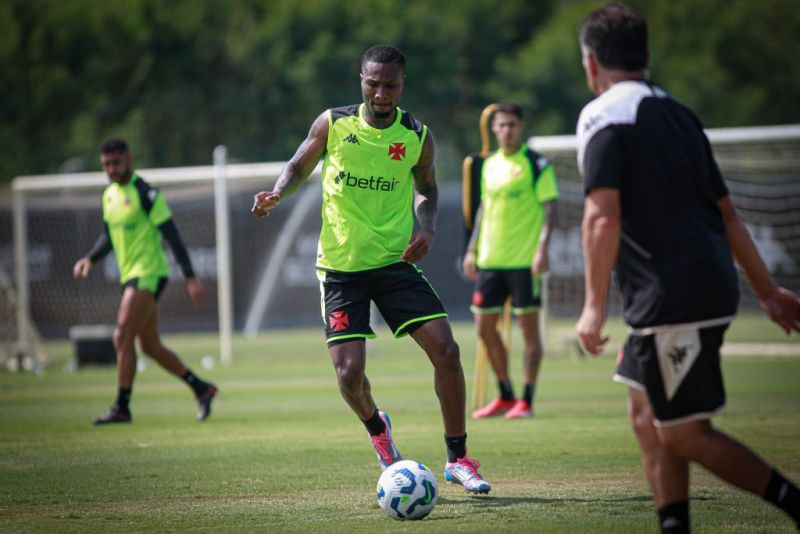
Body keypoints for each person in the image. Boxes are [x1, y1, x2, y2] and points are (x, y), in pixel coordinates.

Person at [575, 5, 800, 532]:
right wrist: (766, 292)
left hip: (671, 296)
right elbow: (727, 214)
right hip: (695, 287)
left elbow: (601, 215)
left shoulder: (601, 115)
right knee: (646, 417)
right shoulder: (679, 113)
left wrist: (591, 307)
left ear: (590, 64)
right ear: (647, 57)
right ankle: (674, 525)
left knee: (683, 433)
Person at [251, 44, 491, 494]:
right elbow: (299, 165)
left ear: (403, 84)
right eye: (373, 83)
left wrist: (429, 226)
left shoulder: (417, 135)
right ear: (361, 80)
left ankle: (459, 458)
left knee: (447, 349)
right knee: (349, 375)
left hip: (393, 262)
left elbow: (428, 189)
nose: (381, 93)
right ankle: (378, 430)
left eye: (391, 85)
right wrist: (278, 193)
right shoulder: (334, 123)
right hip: (341, 269)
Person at [74, 139, 218, 425]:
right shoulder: (109, 195)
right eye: (106, 165)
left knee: (121, 335)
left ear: (128, 159)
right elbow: (108, 236)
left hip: (149, 272)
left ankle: (122, 407)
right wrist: (90, 258)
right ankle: (202, 388)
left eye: (115, 163)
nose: (111, 169)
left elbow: (172, 235)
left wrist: (190, 277)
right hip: (131, 274)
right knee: (149, 346)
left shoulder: (145, 192)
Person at [463, 102, 558, 420]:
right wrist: (472, 249)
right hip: (491, 260)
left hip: (524, 261)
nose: (506, 130)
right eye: (500, 125)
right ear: (494, 129)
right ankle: (505, 394)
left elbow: (549, 208)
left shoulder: (535, 163)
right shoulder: (488, 165)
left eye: (511, 125)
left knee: (529, 332)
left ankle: (527, 400)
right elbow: (482, 210)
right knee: (484, 327)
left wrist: (542, 248)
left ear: (521, 126)